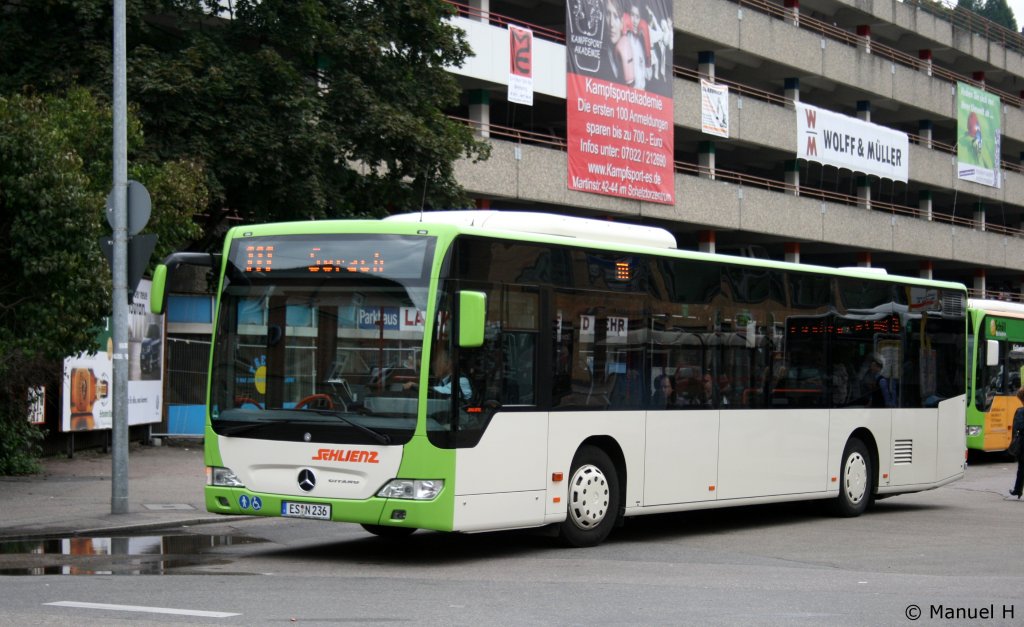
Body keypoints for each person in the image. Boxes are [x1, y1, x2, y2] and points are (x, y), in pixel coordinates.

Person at [405, 348, 472, 401]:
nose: (434, 366)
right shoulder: (443, 380)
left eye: (438, 363)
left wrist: (414, 385)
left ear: (448, 364)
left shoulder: (461, 380)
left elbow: (441, 392)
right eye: (434, 363)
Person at [1010, 387, 1024, 498]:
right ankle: (1017, 490)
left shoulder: (1020, 411)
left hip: (1023, 443)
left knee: (1021, 467)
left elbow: (1018, 427)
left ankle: (1017, 490)